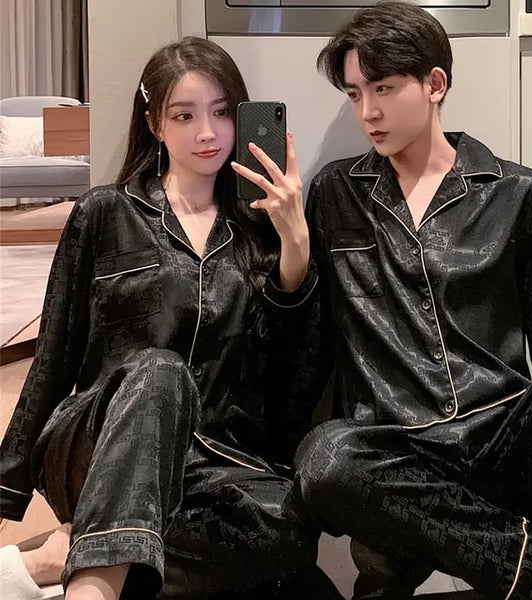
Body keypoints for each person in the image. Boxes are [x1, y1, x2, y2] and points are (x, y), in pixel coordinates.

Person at [0, 37, 340, 600]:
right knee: (159, 372)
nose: (207, 132)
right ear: (155, 124)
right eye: (184, 116)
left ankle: (72, 553)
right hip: (101, 443)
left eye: (222, 113)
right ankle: (91, 589)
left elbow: (293, 373)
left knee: (284, 528)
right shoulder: (105, 212)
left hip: (212, 462)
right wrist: (7, 492)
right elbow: (53, 356)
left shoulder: (262, 230)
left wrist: (295, 247)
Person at [293, 3, 532, 599]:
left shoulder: (521, 195)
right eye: (354, 94)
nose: (367, 111)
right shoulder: (335, 194)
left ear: (435, 84)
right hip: (398, 462)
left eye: (383, 88)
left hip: (505, 445)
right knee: (324, 458)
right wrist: (289, 252)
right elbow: (309, 350)